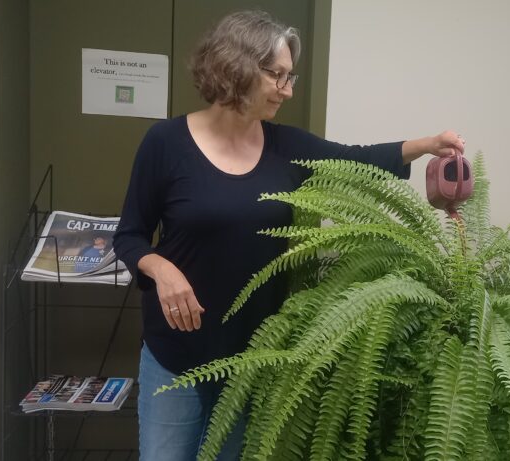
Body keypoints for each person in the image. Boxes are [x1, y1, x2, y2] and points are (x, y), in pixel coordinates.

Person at [112, 10, 465, 461]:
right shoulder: (165, 143)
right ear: (236, 68)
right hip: (174, 350)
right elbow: (129, 236)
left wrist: (428, 143)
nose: (288, 89)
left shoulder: (287, 147)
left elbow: (355, 159)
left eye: (290, 76)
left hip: (250, 355)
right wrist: (160, 268)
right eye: (276, 75)